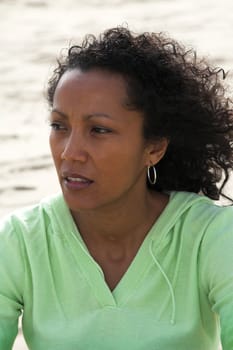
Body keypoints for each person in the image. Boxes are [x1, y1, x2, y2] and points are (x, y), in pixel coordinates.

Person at [0, 26, 233, 350]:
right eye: (59, 126)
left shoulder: (210, 238)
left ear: (154, 148)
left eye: (99, 130)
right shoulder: (19, 243)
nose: (69, 152)